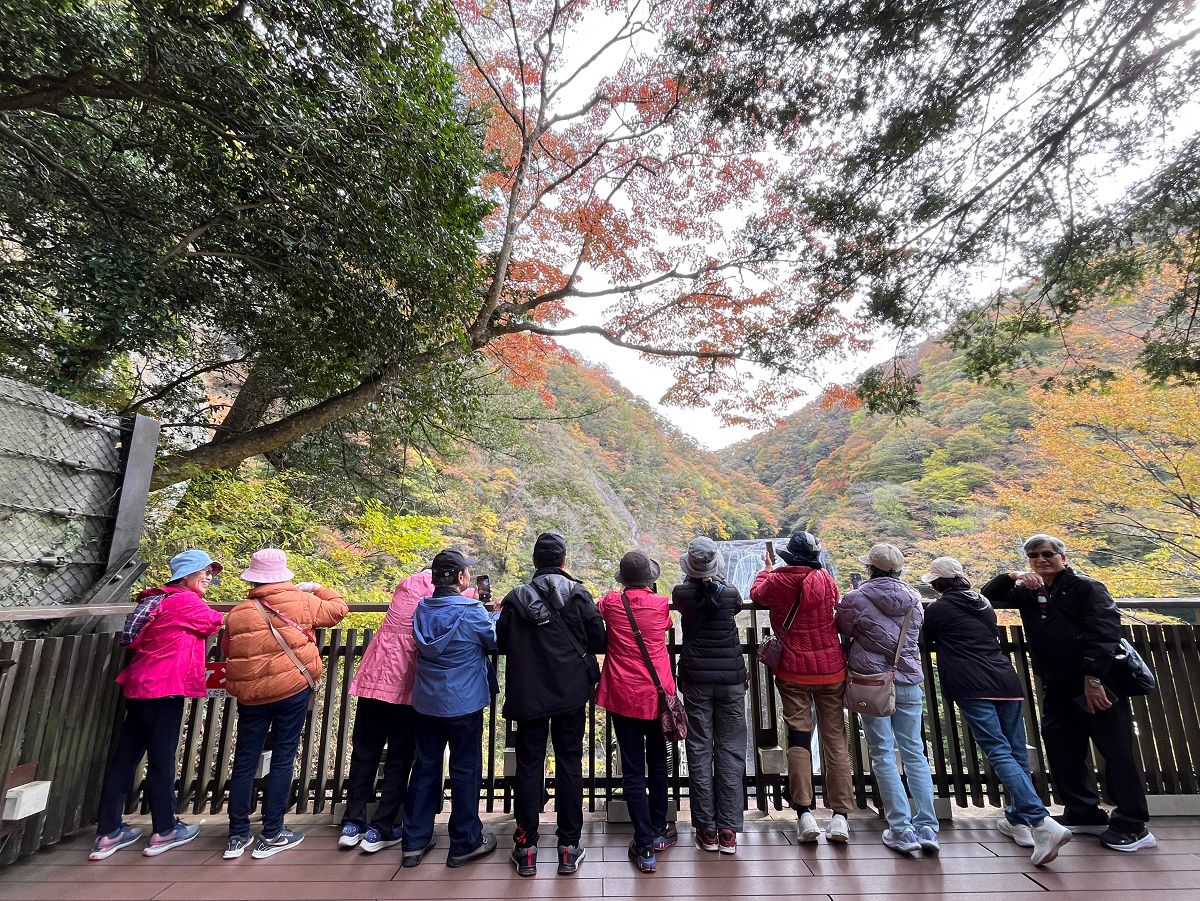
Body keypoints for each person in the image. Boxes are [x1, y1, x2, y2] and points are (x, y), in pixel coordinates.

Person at [981, 533, 1156, 852]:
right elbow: (988, 594)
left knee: (1115, 749)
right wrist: (1015, 575)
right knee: (1061, 745)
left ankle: (1134, 824)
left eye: (1047, 554)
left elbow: (1104, 632)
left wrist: (1094, 678)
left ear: (1063, 557)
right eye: (1034, 555)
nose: (1041, 560)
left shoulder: (1086, 588)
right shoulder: (1029, 590)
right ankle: (1083, 811)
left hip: (1097, 681)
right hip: (1057, 682)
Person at [922, 556, 1072, 865]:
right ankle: (1018, 819)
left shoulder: (937, 609)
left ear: (937, 584)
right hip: (1006, 680)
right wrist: (1012, 574)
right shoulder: (983, 603)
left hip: (972, 684)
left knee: (998, 750)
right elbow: (990, 589)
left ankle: (1039, 820)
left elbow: (922, 634)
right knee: (1016, 750)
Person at [89, 549, 225, 860]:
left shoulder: (156, 600)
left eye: (210, 573)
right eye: (204, 572)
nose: (209, 577)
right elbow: (213, 621)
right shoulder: (185, 601)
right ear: (186, 576)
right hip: (165, 688)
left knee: (125, 758)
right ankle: (165, 829)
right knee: (162, 759)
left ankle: (108, 832)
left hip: (139, 686)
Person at [222, 548, 348, 860]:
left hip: (252, 695)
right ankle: (272, 832)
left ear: (253, 579)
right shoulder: (302, 601)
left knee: (245, 760)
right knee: (283, 757)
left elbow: (228, 648)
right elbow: (338, 609)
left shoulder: (239, 612)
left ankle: (237, 834)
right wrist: (318, 588)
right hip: (292, 688)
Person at [497, 531, 607, 877]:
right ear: (563, 561)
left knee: (529, 764)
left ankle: (526, 846)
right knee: (569, 763)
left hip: (529, 695)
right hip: (570, 693)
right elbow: (599, 639)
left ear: (534, 562)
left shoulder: (516, 599)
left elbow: (502, 643)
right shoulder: (578, 595)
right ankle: (568, 846)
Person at [339, 568, 456, 853]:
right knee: (399, 757)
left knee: (365, 753)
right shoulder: (442, 597)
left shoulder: (405, 586)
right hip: (405, 684)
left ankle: (352, 823)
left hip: (372, 678)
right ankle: (380, 827)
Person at [750, 530, 853, 844]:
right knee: (836, 738)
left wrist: (766, 569)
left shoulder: (778, 581)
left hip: (794, 670)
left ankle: (804, 812)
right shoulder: (827, 580)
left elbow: (756, 594)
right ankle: (840, 816)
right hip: (831, 669)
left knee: (798, 736)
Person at [835, 543, 938, 855]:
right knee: (915, 752)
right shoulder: (915, 599)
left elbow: (842, 628)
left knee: (882, 752)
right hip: (908, 679)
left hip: (873, 682)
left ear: (870, 568)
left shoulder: (855, 597)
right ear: (899, 570)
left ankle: (901, 829)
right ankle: (928, 827)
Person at [400, 548, 498, 868]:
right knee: (465, 769)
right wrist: (495, 614)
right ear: (460, 577)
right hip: (464, 702)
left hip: (427, 702)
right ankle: (465, 841)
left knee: (426, 766)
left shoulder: (422, 610)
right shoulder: (472, 611)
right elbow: (492, 639)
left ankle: (414, 841)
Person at [596, 550, 675, 874]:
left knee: (632, 769)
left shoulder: (612, 603)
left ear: (623, 579)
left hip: (624, 693)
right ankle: (658, 831)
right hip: (657, 695)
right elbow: (666, 625)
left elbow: (599, 606)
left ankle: (643, 846)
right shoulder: (661, 604)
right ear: (649, 580)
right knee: (658, 762)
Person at [673, 537, 747, 855]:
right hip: (731, 681)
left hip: (696, 680)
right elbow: (736, 605)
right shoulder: (729, 593)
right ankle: (728, 830)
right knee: (731, 751)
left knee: (699, 750)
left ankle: (706, 828)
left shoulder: (680, 594)